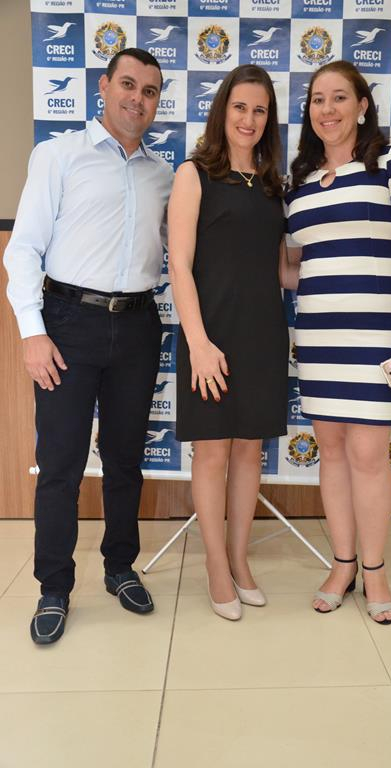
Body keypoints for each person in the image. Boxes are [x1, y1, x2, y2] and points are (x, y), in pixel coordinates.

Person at [3, 48, 173, 644]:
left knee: (125, 459)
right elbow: (24, 248)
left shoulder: (164, 176)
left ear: (157, 101)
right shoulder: (58, 156)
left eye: (149, 91)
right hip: (67, 323)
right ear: (104, 86)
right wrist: (32, 331)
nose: (137, 98)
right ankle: (53, 586)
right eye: (128, 84)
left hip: (139, 324)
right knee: (61, 464)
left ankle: (120, 567)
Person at [281, 61, 391, 625]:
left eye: (340, 97)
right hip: (318, 338)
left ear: (363, 105)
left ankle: (375, 570)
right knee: (331, 450)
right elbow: (293, 269)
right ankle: (342, 563)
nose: (328, 109)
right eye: (318, 100)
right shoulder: (299, 181)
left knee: (368, 455)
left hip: (378, 338)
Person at [169, 65, 288, 620]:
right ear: (223, 111)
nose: (249, 119)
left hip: (262, 334)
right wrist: (198, 342)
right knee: (213, 451)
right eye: (240, 107)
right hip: (210, 335)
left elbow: (280, 269)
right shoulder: (193, 174)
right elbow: (179, 264)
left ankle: (240, 560)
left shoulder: (272, 184)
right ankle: (215, 566)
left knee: (248, 451)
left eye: (259, 110)